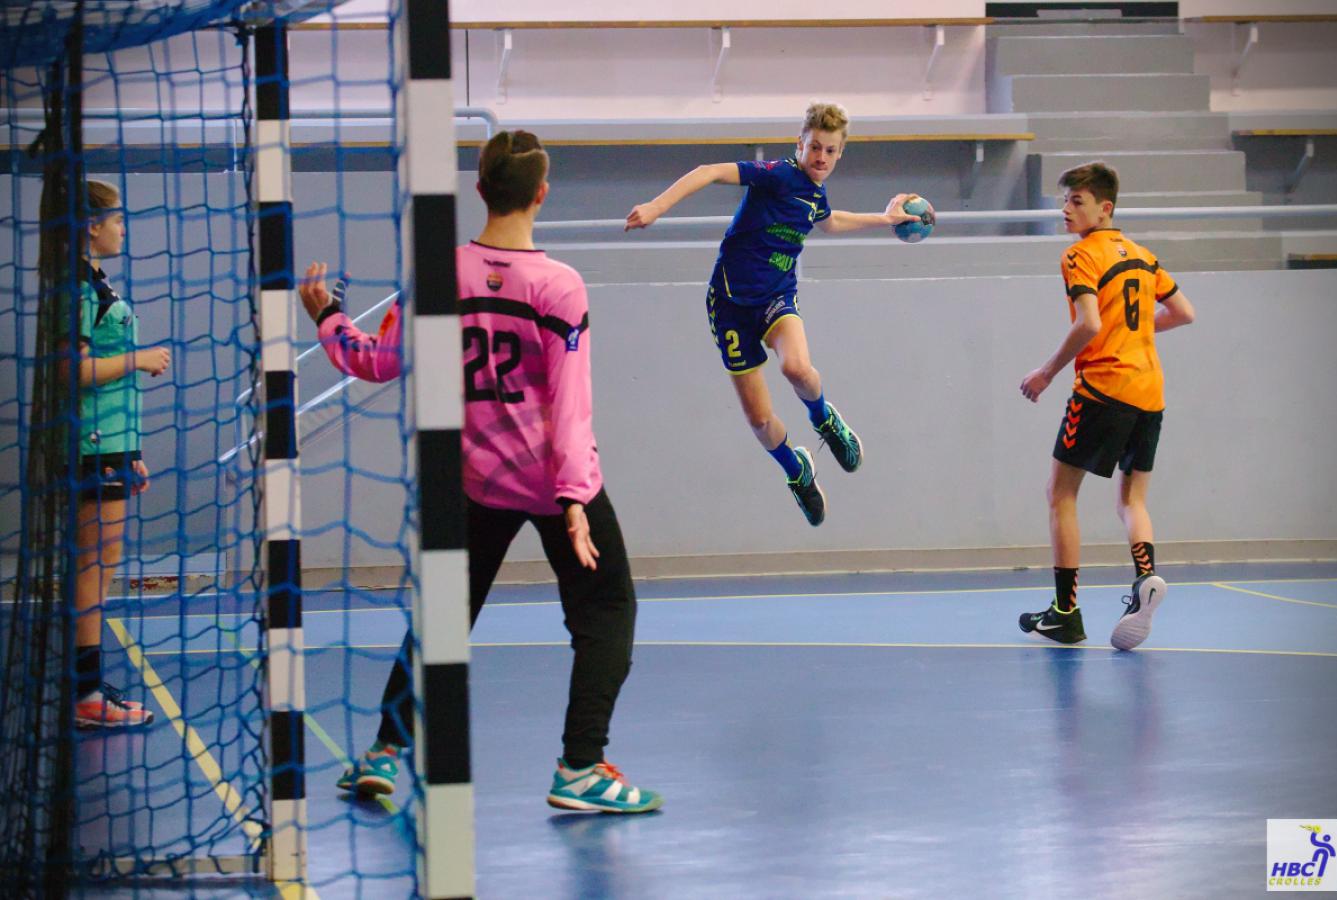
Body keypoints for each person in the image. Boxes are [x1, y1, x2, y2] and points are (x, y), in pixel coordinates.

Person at [299, 130, 661, 813]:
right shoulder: (558, 285)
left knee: (441, 614)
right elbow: (570, 400)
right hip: (552, 481)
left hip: (478, 480)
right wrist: (574, 497)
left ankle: (385, 751)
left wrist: (329, 318)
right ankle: (581, 767)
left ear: (480, 189)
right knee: (607, 611)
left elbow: (375, 361)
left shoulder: (439, 273)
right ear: (541, 194)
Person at [625, 101, 931, 526]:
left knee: (797, 369)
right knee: (760, 420)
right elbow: (708, 171)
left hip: (776, 297)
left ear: (840, 154)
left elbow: (830, 222)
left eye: (830, 151)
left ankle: (824, 419)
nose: (821, 157)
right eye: (814, 147)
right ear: (799, 144)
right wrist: (657, 207)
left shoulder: (815, 194)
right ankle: (796, 469)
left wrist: (885, 219)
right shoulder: (776, 175)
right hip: (729, 305)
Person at [1016, 161, 1196, 651]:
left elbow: (1090, 324)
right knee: (1132, 500)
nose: (1065, 210)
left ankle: (1066, 613)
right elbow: (1184, 312)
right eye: (1064, 200)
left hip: (1103, 389)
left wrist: (1047, 372)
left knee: (1060, 493)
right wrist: (1134, 331)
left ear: (1105, 208)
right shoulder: (1142, 256)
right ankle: (1145, 578)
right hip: (1149, 392)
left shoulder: (1080, 255)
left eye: (1077, 201)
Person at [67, 180, 168, 727]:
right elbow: (73, 370)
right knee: (94, 567)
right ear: (91, 225)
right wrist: (138, 358)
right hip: (92, 444)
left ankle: (87, 689)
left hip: (111, 445)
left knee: (100, 566)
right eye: (118, 220)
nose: (123, 229)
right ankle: (86, 696)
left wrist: (132, 451)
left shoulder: (96, 281)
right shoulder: (79, 287)